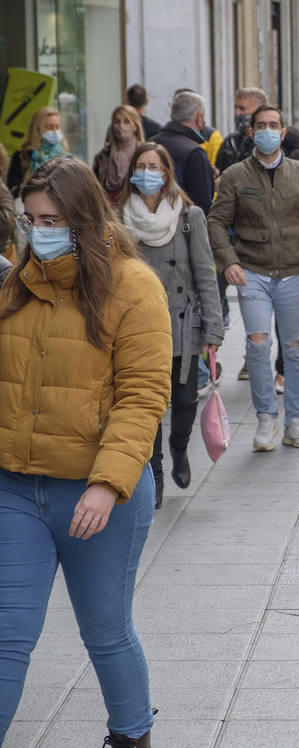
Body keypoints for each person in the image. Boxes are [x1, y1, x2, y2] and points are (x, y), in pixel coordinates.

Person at [0, 157, 172, 748]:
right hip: (16, 486)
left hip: (101, 491)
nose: (38, 230)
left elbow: (144, 395)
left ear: (85, 219)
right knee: (7, 633)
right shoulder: (14, 285)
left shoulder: (133, 285)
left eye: (52, 219)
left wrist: (107, 482)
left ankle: (131, 735)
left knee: (104, 629)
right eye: (30, 219)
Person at [208, 103, 299, 451]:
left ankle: (295, 421)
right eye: (260, 124)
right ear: (251, 132)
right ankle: (266, 418)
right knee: (258, 347)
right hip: (252, 272)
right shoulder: (235, 176)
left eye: (273, 124)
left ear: (282, 132)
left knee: (295, 350)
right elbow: (216, 222)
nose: (266, 130)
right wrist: (228, 261)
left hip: (293, 272)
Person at [119, 141, 222, 506]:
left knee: (183, 398)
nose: (148, 172)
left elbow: (205, 275)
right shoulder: (119, 218)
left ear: (166, 172)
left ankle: (179, 447)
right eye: (141, 165)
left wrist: (213, 329)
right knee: (146, 402)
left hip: (182, 321)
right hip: (137, 325)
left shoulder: (188, 217)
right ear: (132, 171)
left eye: (155, 166)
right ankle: (156, 473)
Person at [151, 91, 215, 214]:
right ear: (199, 118)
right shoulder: (195, 153)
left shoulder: (149, 144)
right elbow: (203, 204)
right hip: (182, 226)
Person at [8, 106, 70, 192]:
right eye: (50, 127)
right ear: (37, 129)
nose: (55, 131)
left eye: (57, 127)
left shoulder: (67, 158)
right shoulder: (22, 156)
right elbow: (12, 189)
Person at [92, 105, 146, 204]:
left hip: (136, 209)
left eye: (126, 122)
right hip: (108, 210)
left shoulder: (143, 155)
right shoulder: (102, 156)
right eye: (117, 122)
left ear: (135, 126)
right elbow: (95, 189)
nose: (121, 126)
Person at [217, 87, 265, 173]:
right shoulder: (230, 141)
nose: (237, 113)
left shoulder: (269, 142)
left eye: (242, 109)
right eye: (235, 108)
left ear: (259, 111)